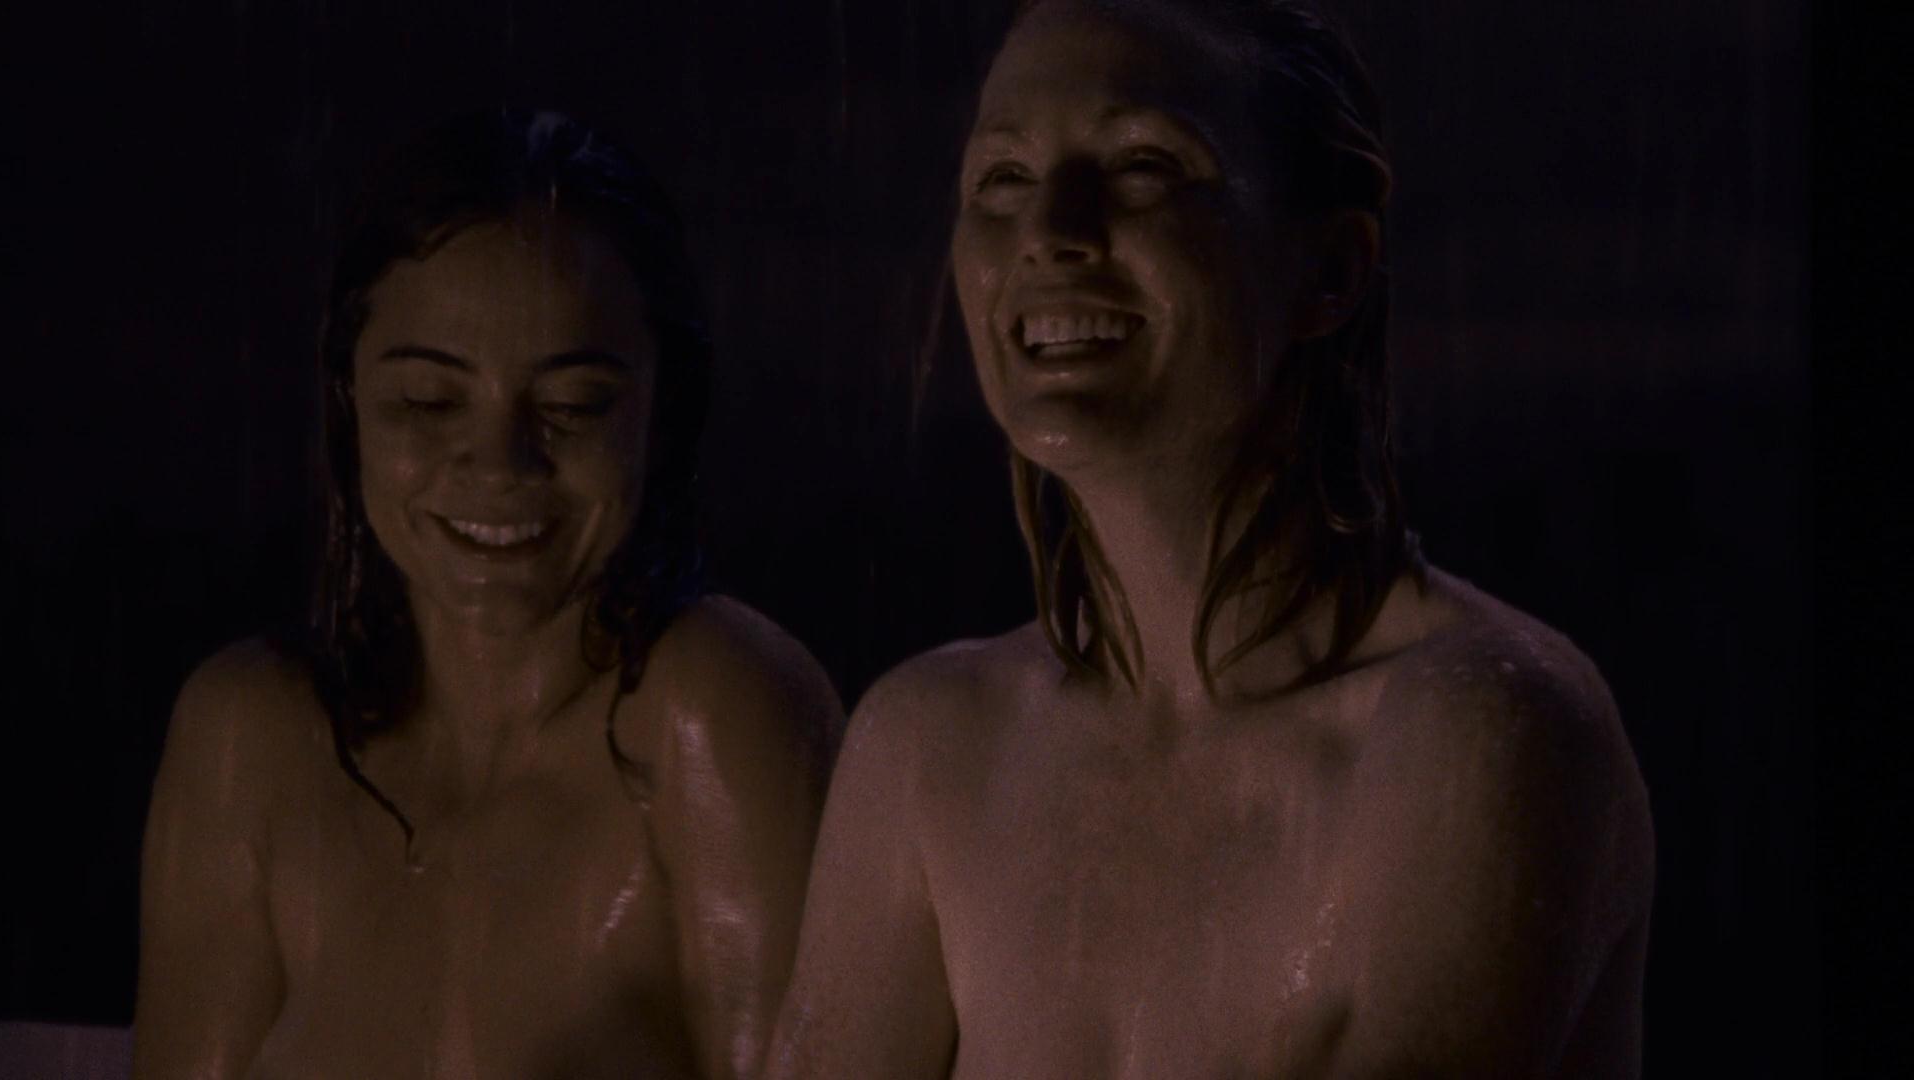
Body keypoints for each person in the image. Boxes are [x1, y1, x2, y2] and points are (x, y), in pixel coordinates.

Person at [768, 1, 1655, 1076]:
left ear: (1330, 271)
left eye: (1145, 164)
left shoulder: (1475, 732)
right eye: (1001, 178)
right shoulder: (928, 750)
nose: (1050, 228)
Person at [134, 110, 839, 1080]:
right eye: (428, 400)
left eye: (572, 405)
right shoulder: (250, 742)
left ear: (662, 410)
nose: (499, 464)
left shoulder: (717, 712)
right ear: (349, 399)